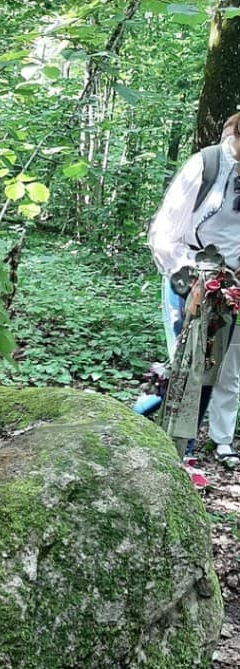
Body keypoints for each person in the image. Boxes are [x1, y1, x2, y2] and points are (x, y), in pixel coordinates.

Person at [148, 112, 240, 470]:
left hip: (231, 286)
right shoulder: (205, 167)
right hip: (192, 279)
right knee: (187, 369)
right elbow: (165, 234)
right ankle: (169, 446)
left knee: (217, 369)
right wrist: (194, 282)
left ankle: (195, 447)